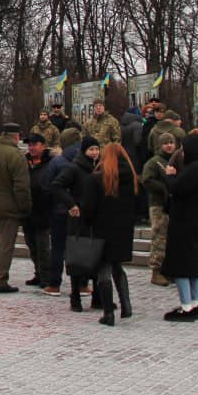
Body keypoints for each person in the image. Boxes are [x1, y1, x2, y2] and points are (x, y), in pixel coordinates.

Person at [87, 143, 139, 326]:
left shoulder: (98, 178)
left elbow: (89, 207)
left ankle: (108, 312)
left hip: (102, 228)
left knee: (104, 269)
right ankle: (126, 305)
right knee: (117, 266)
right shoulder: (131, 177)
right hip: (124, 228)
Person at [162, 131, 198, 322]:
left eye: (184, 149)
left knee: (181, 265)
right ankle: (195, 302)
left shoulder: (194, 169)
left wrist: (169, 176)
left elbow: (176, 189)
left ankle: (186, 306)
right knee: (193, 264)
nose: (182, 153)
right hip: (195, 223)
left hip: (183, 223)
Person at [0, 123, 31, 294]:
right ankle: (0, 280)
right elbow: (21, 187)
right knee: (5, 245)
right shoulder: (16, 155)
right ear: (16, 136)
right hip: (9, 207)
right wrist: (25, 207)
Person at [52, 136, 102, 309]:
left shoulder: (100, 167)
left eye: (97, 149)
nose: (95, 153)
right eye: (91, 150)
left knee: (97, 257)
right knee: (77, 258)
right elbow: (57, 185)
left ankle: (97, 296)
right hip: (79, 219)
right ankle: (75, 296)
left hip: (95, 218)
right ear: (84, 151)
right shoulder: (74, 168)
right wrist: (71, 204)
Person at [141, 126, 181, 286]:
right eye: (166, 143)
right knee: (159, 237)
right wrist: (164, 189)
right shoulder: (154, 162)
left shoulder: (178, 160)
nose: (169, 146)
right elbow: (147, 180)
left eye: (171, 143)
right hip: (159, 205)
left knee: (172, 239)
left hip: (175, 205)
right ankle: (156, 270)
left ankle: (169, 270)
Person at [40, 141, 78, 296]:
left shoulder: (56, 162)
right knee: (77, 247)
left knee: (57, 248)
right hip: (77, 211)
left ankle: (55, 284)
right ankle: (81, 285)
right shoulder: (84, 162)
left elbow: (47, 186)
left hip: (58, 211)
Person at [21, 133, 54, 288]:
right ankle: (38, 273)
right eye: (30, 145)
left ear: (43, 146)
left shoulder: (51, 163)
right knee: (31, 244)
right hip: (28, 211)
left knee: (43, 247)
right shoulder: (24, 162)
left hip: (44, 211)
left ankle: (47, 276)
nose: (32, 148)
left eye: (35, 144)